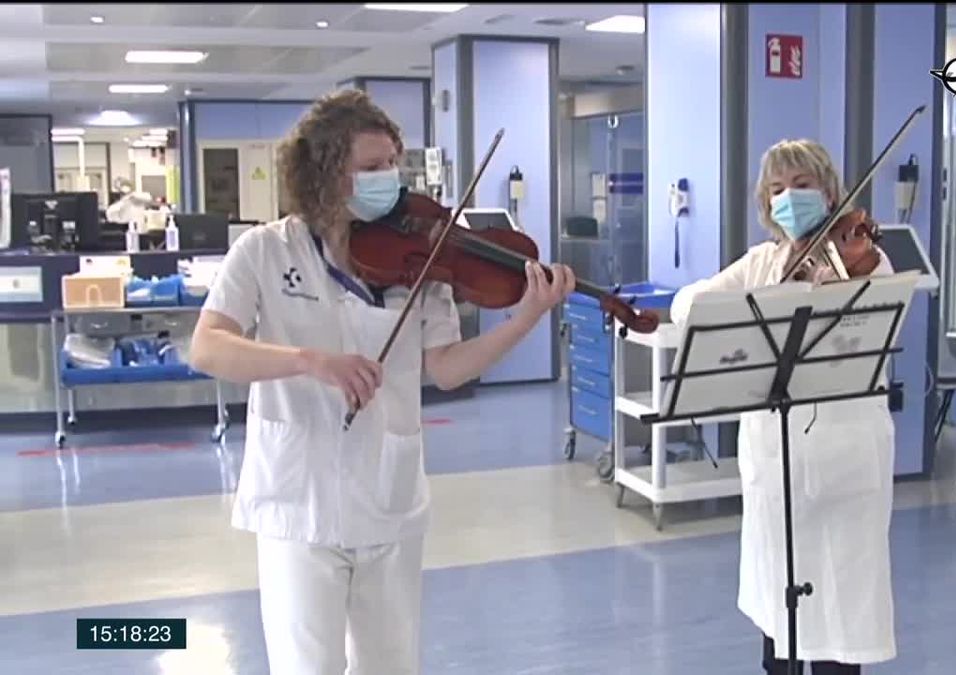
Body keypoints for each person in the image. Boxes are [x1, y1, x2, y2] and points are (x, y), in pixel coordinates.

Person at [189, 89, 575, 675]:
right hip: (300, 503)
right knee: (306, 667)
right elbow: (208, 345)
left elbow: (446, 368)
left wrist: (525, 318)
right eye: (370, 168)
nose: (388, 179)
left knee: (391, 666)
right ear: (325, 174)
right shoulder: (265, 251)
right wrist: (308, 360)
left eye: (392, 163)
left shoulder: (420, 260)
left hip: (389, 494)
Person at [669, 139, 897, 675]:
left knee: (839, 625)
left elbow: (876, 312)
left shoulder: (867, 260)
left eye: (801, 186)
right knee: (780, 614)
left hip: (844, 464)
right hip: (776, 467)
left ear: (831, 193)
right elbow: (686, 304)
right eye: (777, 190)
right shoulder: (762, 263)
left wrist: (841, 274)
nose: (789, 199)